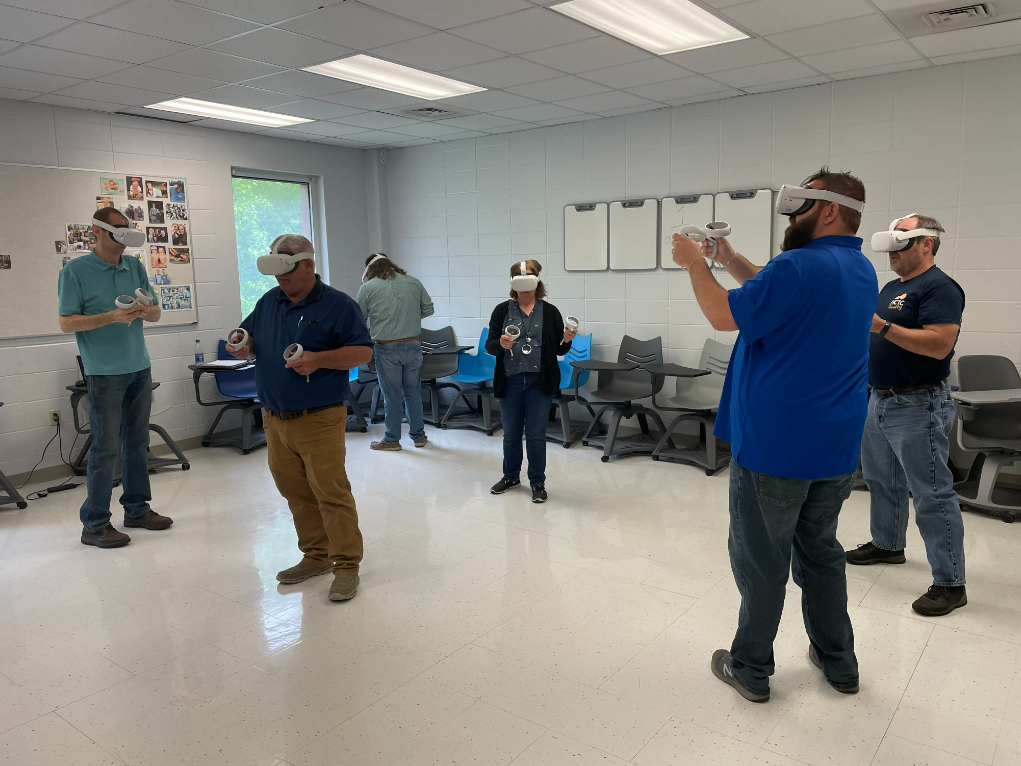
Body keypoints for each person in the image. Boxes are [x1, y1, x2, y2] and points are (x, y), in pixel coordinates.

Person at [670, 168, 876, 702]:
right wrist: (730, 260)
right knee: (821, 555)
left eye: (799, 206)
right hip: (833, 448)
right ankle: (840, 663)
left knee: (763, 562)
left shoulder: (798, 265)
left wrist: (695, 264)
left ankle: (751, 668)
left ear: (828, 209)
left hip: (776, 448)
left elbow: (721, 313)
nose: (790, 216)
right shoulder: (857, 268)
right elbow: (776, 285)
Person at [227, 234, 373, 602]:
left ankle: (346, 565)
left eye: (288, 269)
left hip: (319, 417)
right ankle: (316, 556)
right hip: (275, 418)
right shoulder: (268, 302)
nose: (282, 278)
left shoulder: (339, 305)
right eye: (277, 270)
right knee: (295, 492)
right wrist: (243, 344)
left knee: (330, 493)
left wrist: (318, 359)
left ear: (308, 264)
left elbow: (362, 352)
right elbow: (251, 338)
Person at [846, 214, 967, 616]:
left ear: (926, 244)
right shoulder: (891, 287)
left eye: (901, 245)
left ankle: (951, 583)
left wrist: (881, 328)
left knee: (931, 495)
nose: (892, 254)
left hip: (919, 404)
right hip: (879, 400)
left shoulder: (940, 287)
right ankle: (887, 544)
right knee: (881, 481)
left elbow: (938, 345)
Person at [58, 206, 172, 548]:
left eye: (127, 233)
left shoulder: (134, 265)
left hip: (139, 366)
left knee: (138, 443)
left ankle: (137, 509)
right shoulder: (76, 271)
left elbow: (155, 315)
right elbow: (67, 322)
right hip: (104, 373)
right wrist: (111, 317)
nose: (123, 241)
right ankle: (94, 524)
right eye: (116, 233)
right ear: (96, 232)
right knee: (106, 448)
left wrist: (144, 310)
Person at [485, 260, 576, 504]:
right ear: (513, 286)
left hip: (540, 381)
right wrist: (501, 345)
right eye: (520, 285)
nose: (525, 292)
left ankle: (537, 482)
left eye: (530, 285)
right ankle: (510, 476)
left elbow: (559, 349)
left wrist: (567, 339)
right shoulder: (501, 311)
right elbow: (490, 345)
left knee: (535, 434)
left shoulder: (550, 312)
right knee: (511, 434)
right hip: (510, 379)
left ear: (537, 284)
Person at [355, 253, 435, 451]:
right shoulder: (414, 283)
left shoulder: (368, 288)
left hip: (386, 347)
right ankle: (419, 436)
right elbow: (428, 309)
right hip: (414, 345)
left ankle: (391, 439)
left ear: (369, 269)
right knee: (413, 393)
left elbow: (359, 318)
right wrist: (409, 320)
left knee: (392, 395)